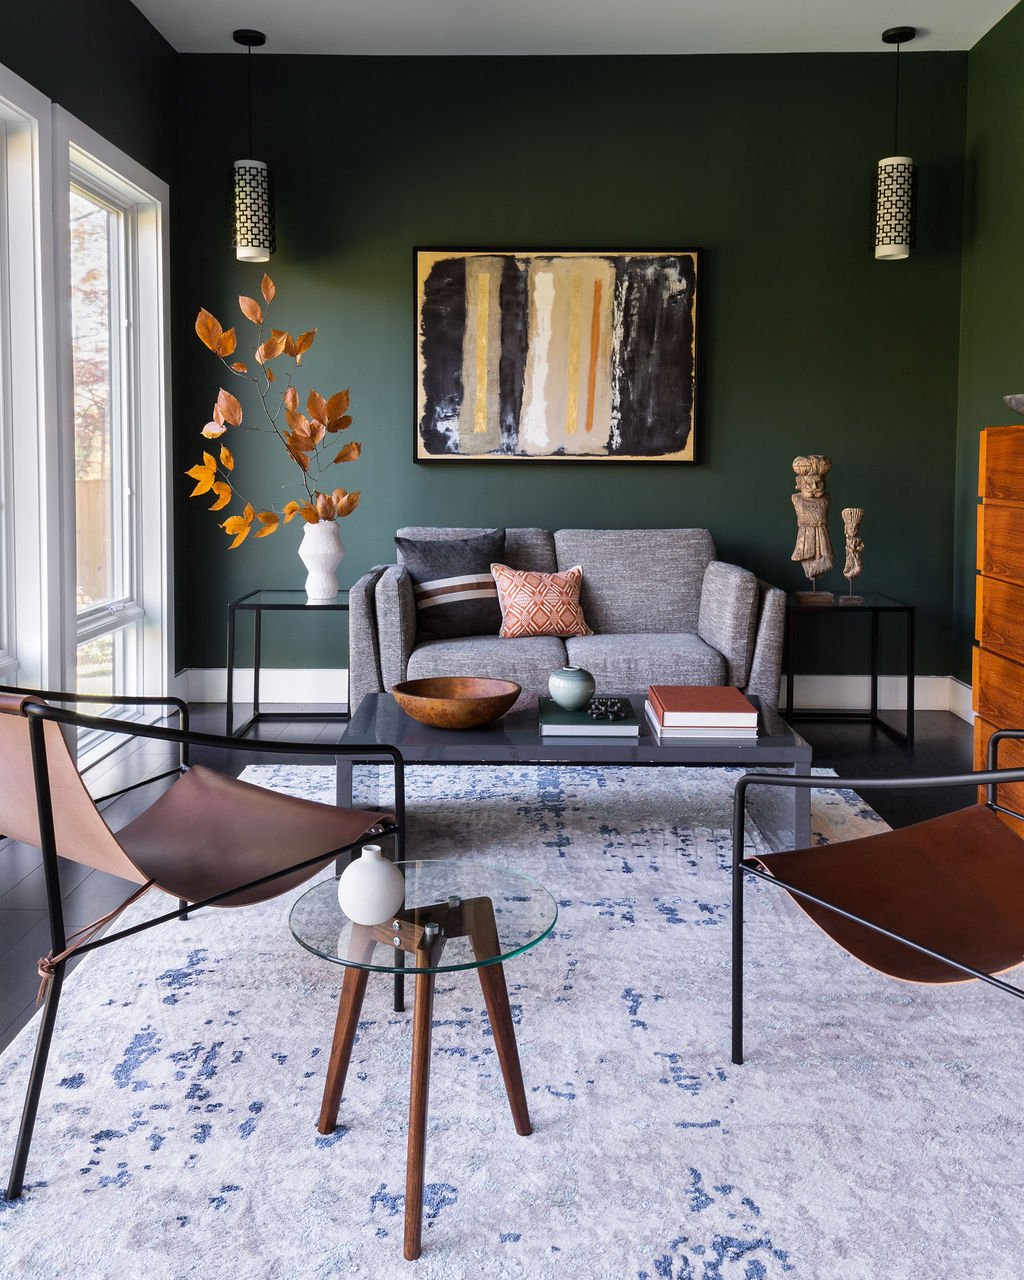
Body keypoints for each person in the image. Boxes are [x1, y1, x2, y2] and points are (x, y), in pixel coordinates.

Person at [791, 455, 833, 587]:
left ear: (824, 481)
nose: (814, 487)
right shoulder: (797, 498)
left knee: (827, 560)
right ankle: (810, 571)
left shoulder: (826, 499)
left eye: (818, 482)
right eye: (809, 483)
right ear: (799, 482)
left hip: (821, 532)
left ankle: (812, 571)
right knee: (806, 556)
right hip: (805, 534)